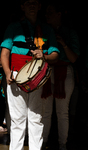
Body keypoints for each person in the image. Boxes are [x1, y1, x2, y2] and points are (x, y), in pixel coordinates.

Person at [0, 0, 59, 149]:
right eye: (28, 3)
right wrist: (7, 73)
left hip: (38, 78)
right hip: (15, 76)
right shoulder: (13, 28)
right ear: (22, 6)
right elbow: (5, 53)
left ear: (40, 6)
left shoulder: (47, 30)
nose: (32, 6)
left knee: (36, 118)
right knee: (18, 119)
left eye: (35, 3)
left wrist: (44, 56)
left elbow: (55, 55)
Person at [41, 2, 80, 150]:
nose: (46, 15)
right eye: (46, 12)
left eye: (50, 11)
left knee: (62, 112)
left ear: (59, 15)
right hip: (46, 71)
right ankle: (42, 143)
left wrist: (63, 44)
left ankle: (62, 145)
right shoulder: (43, 31)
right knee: (45, 112)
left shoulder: (70, 32)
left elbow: (74, 58)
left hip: (64, 73)